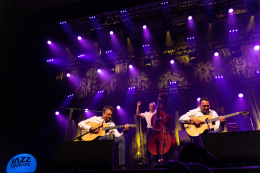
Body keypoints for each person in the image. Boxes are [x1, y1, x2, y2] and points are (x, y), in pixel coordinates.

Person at [78, 105, 129, 170]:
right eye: (108, 114)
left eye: (111, 115)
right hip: (95, 140)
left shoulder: (112, 124)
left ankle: (121, 165)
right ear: (103, 113)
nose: (110, 116)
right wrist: (90, 128)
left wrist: (124, 131)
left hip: (107, 141)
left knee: (121, 139)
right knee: (108, 137)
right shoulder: (95, 118)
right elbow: (80, 123)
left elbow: (118, 135)